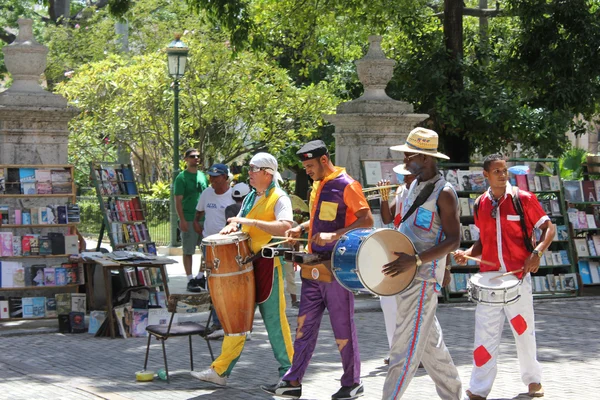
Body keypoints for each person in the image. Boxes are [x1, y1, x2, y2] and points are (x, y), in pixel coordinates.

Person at [262, 140, 374, 400]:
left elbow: (366, 220)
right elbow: (322, 216)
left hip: (336, 268)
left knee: (342, 327)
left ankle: (352, 382)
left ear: (324, 160)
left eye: (310, 165)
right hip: (311, 266)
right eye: (305, 166)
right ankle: (292, 381)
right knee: (304, 328)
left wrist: (334, 234)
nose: (307, 171)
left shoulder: (348, 184)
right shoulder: (319, 185)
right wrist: (301, 228)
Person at [454, 154, 553, 399]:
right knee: (484, 334)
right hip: (489, 280)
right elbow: (482, 240)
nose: (502, 174)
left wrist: (537, 253)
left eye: (504, 170)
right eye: (496, 171)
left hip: (518, 277)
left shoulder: (523, 199)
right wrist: (467, 253)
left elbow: (548, 227)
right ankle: (478, 388)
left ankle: (533, 381)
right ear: (485, 175)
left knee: (523, 330)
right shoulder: (480, 204)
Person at [191, 152, 294, 386]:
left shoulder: (279, 198)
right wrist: (234, 226)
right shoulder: (250, 198)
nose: (249, 173)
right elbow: (240, 221)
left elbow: (286, 227)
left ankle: (289, 374)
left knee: (275, 323)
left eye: (253, 169)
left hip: (268, 266)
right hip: (246, 265)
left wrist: (250, 223)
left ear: (267, 174)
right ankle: (220, 371)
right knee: (236, 320)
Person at [381, 127, 462, 400]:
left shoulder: (445, 193)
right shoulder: (413, 185)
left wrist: (415, 260)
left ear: (426, 158)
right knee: (431, 346)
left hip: (423, 278)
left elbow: (453, 240)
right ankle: (454, 395)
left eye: (408, 155)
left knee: (403, 351)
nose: (404, 161)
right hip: (407, 276)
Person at [376, 164, 416, 365]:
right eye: (404, 175)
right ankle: (395, 350)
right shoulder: (401, 191)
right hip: (397, 251)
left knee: (415, 307)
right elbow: (387, 218)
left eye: (408, 175)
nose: (404, 178)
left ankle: (421, 352)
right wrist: (384, 197)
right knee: (388, 302)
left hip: (416, 254)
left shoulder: (425, 192)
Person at [193, 163, 236, 339]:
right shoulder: (206, 193)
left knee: (226, 285)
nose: (212, 180)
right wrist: (198, 226)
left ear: (225, 178)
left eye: (216, 177)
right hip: (208, 246)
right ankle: (216, 322)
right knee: (212, 285)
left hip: (227, 247)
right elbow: (198, 213)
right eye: (210, 176)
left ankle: (230, 322)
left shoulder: (234, 195)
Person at [174, 148, 209, 292]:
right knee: (188, 251)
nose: (196, 158)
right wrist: (181, 219)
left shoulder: (202, 176)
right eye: (192, 156)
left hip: (204, 219)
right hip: (188, 218)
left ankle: (200, 276)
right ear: (186, 159)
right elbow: (178, 200)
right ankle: (190, 279)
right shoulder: (181, 178)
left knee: (206, 251)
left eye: (198, 156)